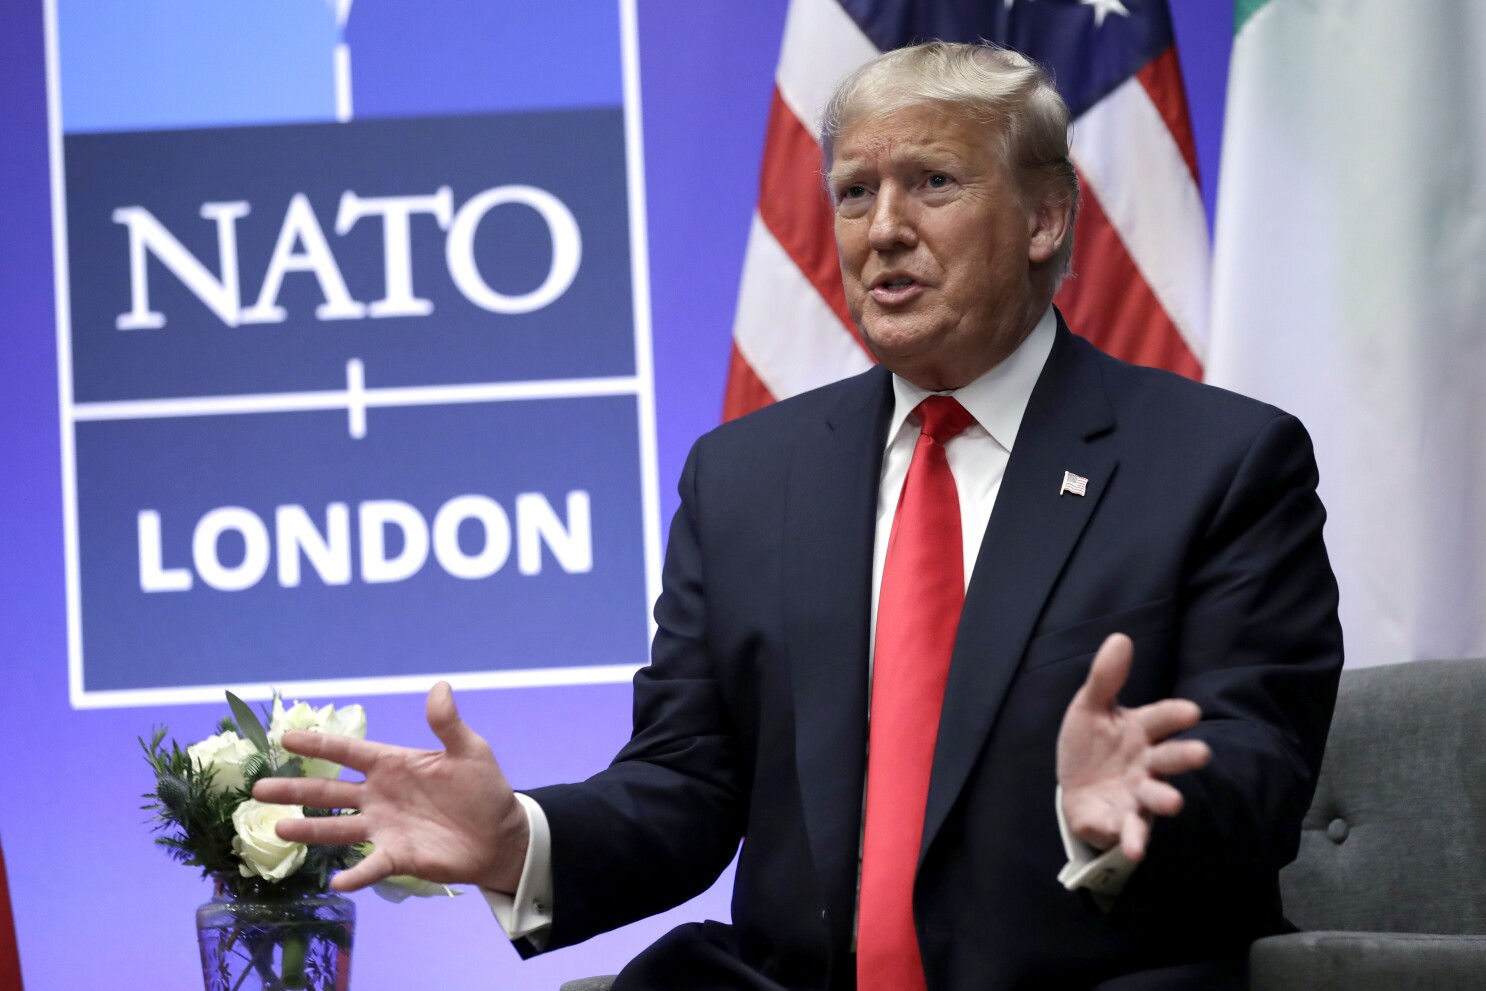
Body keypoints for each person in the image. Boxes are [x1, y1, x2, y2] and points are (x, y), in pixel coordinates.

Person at [256, 42, 1343, 990]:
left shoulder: (1219, 464)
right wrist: (518, 839)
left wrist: (1119, 815)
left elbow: (1255, 774)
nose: (884, 231)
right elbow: (685, 783)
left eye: (933, 182)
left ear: (1045, 216)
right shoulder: (744, 477)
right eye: (855, 192)